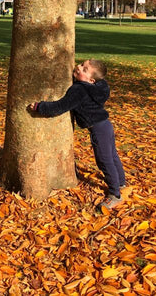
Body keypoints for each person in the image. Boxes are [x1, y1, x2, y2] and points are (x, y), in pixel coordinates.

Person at [28, 59, 126, 211]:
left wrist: (40, 107)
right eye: (81, 64)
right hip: (106, 125)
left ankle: (115, 194)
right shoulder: (101, 87)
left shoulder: (79, 90)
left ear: (91, 80)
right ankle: (121, 183)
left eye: (84, 69)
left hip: (99, 129)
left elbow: (60, 106)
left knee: (104, 160)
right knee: (112, 155)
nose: (79, 68)